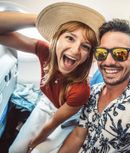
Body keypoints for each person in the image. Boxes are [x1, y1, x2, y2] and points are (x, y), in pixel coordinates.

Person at [58, 19, 130, 153]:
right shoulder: (93, 91)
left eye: (120, 53)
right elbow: (78, 136)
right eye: (102, 53)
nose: (108, 62)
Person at [0, 2, 105, 153]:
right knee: (15, 150)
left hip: (64, 118)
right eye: (70, 38)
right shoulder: (45, 51)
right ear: (56, 39)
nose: (75, 50)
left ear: (88, 55)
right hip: (44, 104)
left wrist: (33, 144)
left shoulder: (81, 90)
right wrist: (39, 19)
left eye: (85, 46)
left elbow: (53, 123)